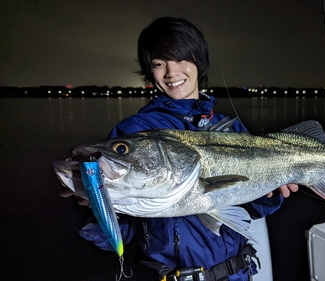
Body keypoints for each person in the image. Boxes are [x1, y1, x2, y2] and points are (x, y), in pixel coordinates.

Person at [72, 16, 298, 281]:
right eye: (159, 64)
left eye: (180, 59)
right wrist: (97, 211)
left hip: (238, 273)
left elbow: (249, 211)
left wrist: (269, 195)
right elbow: (122, 233)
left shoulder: (229, 128)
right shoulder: (132, 132)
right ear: (150, 72)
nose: (171, 72)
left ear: (198, 61)